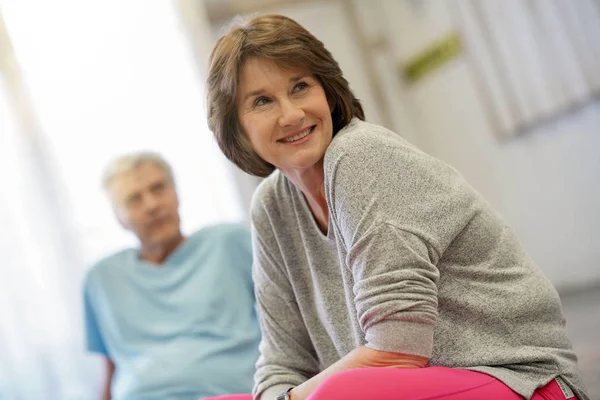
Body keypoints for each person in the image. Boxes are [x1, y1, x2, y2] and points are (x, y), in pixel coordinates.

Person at [204, 14, 589, 400]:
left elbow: (396, 350)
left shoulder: (360, 156)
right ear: (236, 129)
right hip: (401, 388)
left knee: (340, 395)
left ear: (327, 91)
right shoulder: (270, 208)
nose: (291, 114)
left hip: (521, 381)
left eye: (300, 87)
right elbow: (279, 361)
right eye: (262, 101)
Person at [83, 152, 261, 400]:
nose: (152, 205)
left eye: (158, 188)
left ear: (176, 194)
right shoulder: (101, 279)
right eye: (134, 199)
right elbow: (111, 368)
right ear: (119, 217)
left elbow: (290, 322)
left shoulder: (229, 243)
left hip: (230, 393)